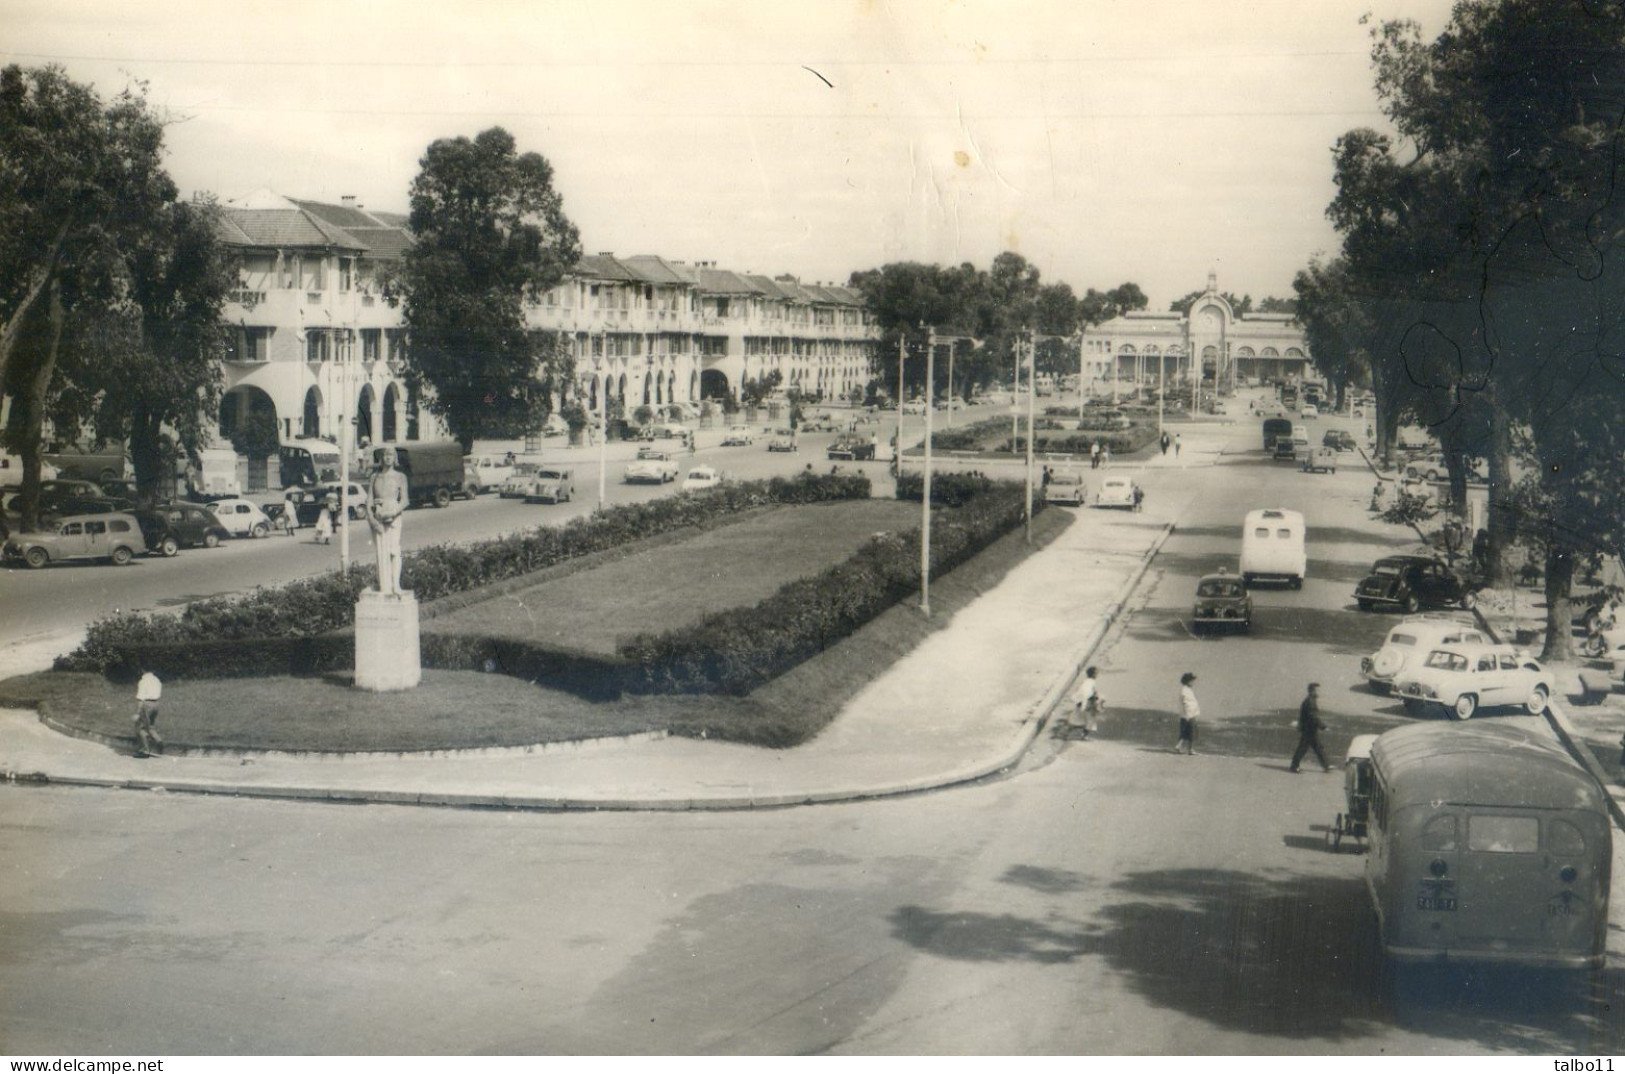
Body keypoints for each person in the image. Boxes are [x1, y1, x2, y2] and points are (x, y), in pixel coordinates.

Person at [367, 447, 409, 595]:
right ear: (382, 458)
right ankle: (384, 586)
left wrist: (393, 511)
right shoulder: (375, 476)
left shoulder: (400, 477)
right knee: (381, 553)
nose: (388, 457)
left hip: (394, 517)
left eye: (391, 454)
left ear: (395, 457)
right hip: (378, 517)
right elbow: (369, 501)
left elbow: (405, 501)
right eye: (385, 454)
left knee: (393, 551)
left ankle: (395, 585)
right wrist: (372, 521)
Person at [1289, 682, 1330, 773]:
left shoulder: (1310, 700)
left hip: (1309, 728)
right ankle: (1294, 766)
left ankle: (1326, 765)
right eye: (1317, 690)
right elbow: (1313, 717)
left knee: (1315, 747)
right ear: (1312, 691)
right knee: (1305, 748)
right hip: (1309, 729)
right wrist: (1323, 726)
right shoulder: (1310, 702)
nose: (1319, 692)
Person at [134, 668, 164, 757]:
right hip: (156, 704)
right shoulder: (156, 680)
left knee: (140, 728)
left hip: (147, 704)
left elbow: (141, 698)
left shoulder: (143, 681)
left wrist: (137, 712)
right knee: (150, 726)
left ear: (143, 670)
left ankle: (144, 751)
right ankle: (158, 741)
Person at [1175, 672, 1199, 755]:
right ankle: (1190, 749)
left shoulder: (1187, 690)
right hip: (1188, 714)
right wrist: (1189, 715)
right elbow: (1186, 703)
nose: (1193, 682)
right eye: (1192, 681)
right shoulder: (1185, 690)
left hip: (1188, 713)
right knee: (1191, 732)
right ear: (1187, 681)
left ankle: (1179, 746)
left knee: (1185, 731)